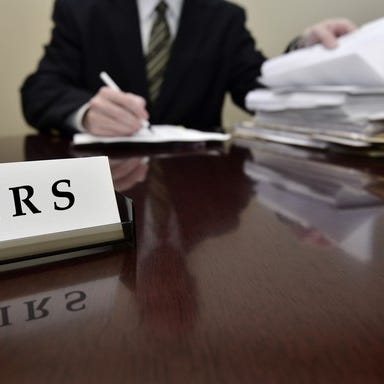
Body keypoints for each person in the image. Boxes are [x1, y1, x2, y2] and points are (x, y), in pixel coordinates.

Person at [20, 0, 356, 137]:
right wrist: (86, 112)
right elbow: (40, 89)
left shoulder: (224, 17)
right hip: (108, 183)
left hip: (199, 182)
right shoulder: (82, 9)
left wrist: (304, 51)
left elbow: (259, 88)